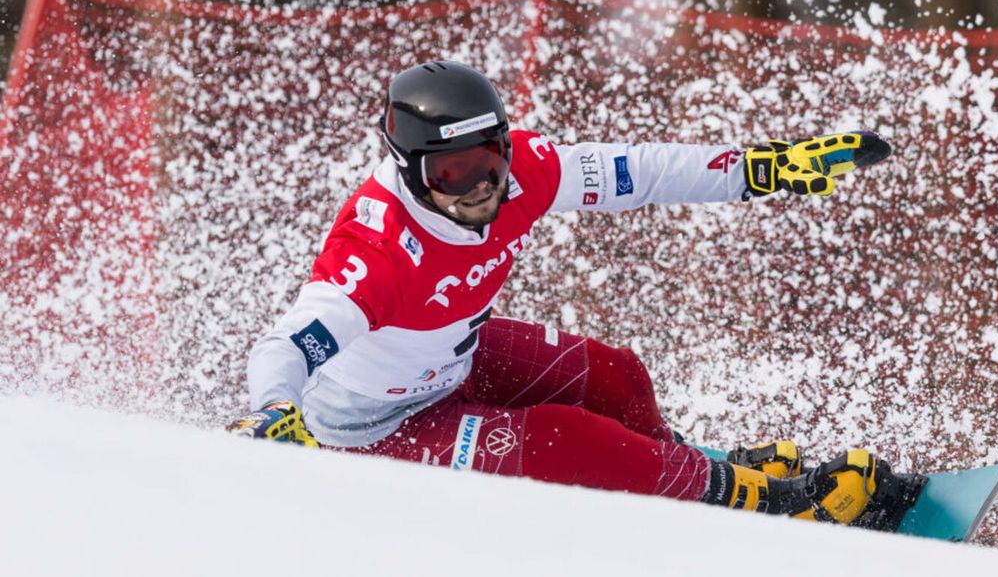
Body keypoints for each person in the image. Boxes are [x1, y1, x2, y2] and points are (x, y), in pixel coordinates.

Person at [228, 60, 920, 528]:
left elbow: (642, 171)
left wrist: (761, 170)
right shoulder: (379, 250)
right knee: (567, 439)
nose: (478, 188)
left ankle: (696, 471)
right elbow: (285, 348)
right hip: (378, 431)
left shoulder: (524, 173)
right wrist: (274, 414)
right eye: (451, 172)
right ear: (409, 171)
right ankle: (773, 508)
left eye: (488, 160)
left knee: (614, 373)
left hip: (452, 362)